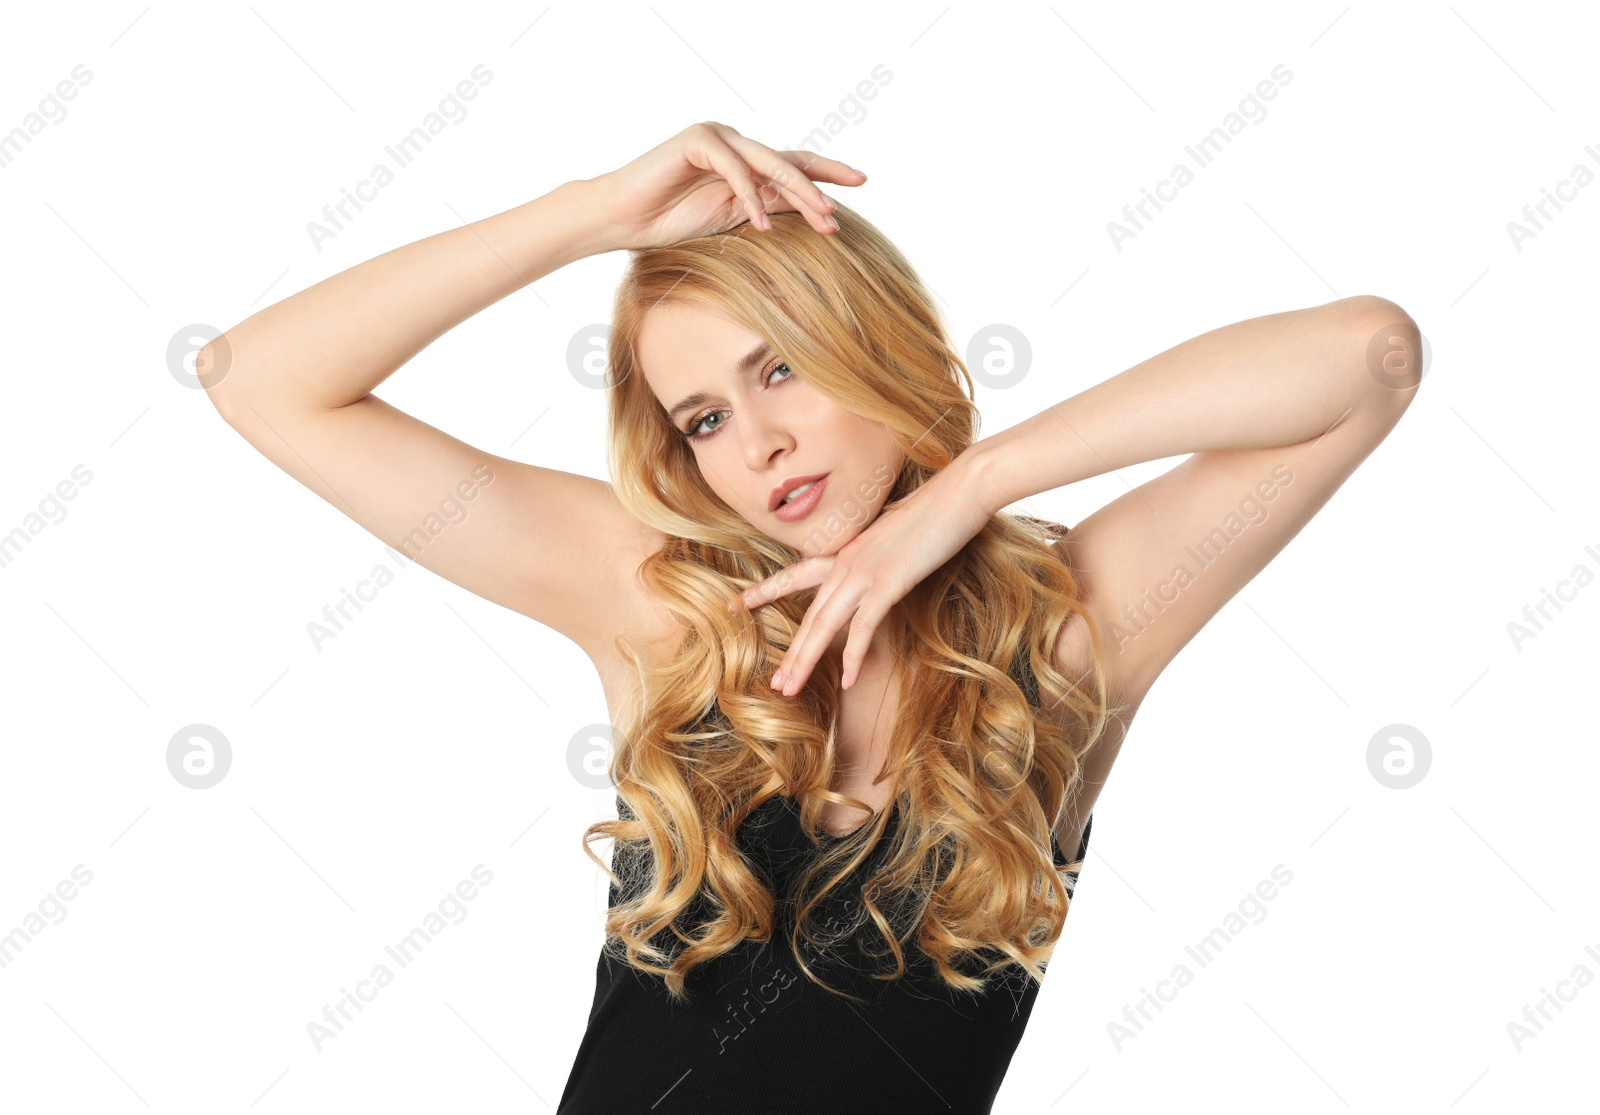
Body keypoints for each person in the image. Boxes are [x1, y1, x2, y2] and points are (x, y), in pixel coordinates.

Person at [200, 121, 1423, 1113]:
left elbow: (1366, 357)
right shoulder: (666, 610)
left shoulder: (1068, 637)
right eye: (705, 417)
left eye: (778, 366)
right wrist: (589, 216)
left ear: (873, 344)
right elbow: (257, 379)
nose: (759, 440)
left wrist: (977, 485)